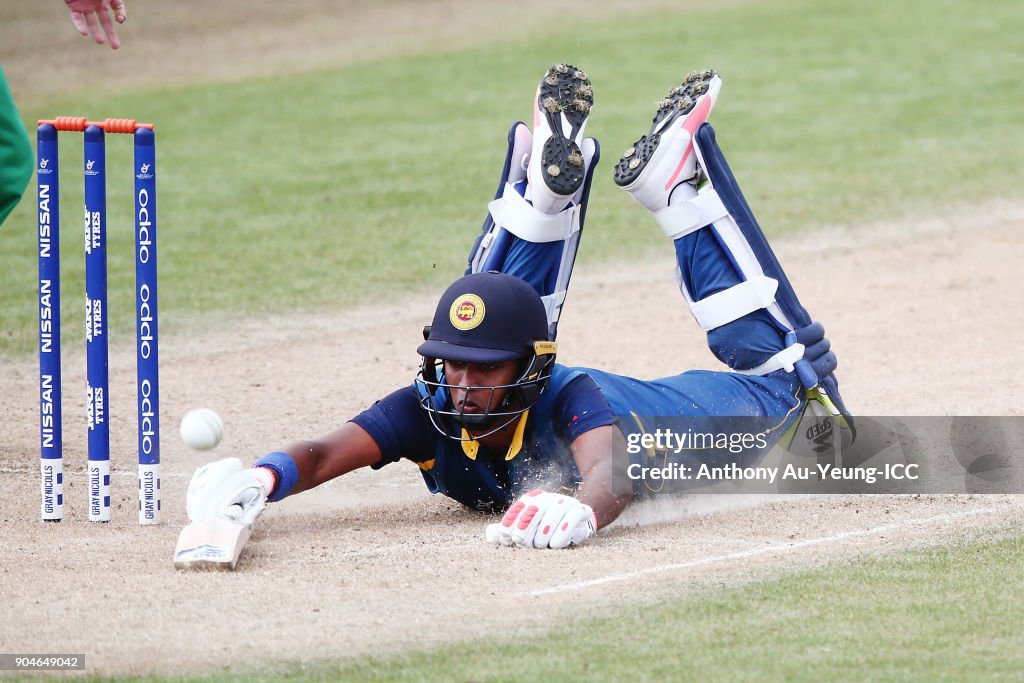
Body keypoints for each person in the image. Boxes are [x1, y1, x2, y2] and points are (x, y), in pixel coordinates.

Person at [186, 65, 854, 550]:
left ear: (528, 370)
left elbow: (609, 470)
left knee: (800, 391)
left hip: (687, 421)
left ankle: (673, 189)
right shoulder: (431, 405)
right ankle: (545, 201)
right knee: (498, 310)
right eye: (451, 364)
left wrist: (587, 512)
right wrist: (262, 477)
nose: (461, 383)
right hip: (594, 388)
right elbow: (328, 452)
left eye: (482, 370)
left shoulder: (572, 395)